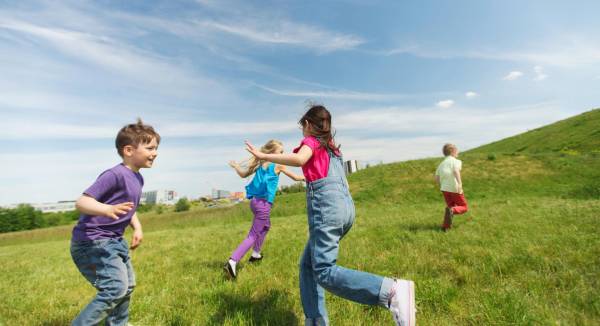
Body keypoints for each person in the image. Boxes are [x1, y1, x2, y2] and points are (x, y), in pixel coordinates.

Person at [245, 105, 416, 326]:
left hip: (327, 211)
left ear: (308, 125)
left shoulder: (310, 142)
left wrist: (262, 155)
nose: (302, 132)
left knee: (324, 270)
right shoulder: (332, 149)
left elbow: (299, 159)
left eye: (302, 127)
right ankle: (316, 320)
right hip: (345, 210)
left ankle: (391, 291)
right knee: (308, 265)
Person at [70, 119, 160, 325]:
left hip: (114, 240)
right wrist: (106, 209)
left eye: (156, 148)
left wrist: (137, 226)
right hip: (92, 242)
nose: (155, 153)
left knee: (127, 286)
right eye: (150, 148)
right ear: (129, 150)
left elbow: (128, 208)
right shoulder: (114, 175)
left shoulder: (138, 178)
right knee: (114, 289)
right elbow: (82, 202)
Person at [225, 140, 304, 279]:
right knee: (253, 235)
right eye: (281, 152)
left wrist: (236, 166)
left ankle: (255, 255)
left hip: (254, 203)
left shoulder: (260, 164)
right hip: (264, 205)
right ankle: (232, 261)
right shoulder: (278, 165)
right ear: (272, 153)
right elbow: (296, 177)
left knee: (266, 226)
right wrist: (311, 177)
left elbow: (243, 174)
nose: (282, 155)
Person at [435, 143, 468, 231]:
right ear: (453, 151)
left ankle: (445, 227)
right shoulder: (456, 161)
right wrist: (460, 184)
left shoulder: (441, 164)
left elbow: (437, 177)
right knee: (464, 207)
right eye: (457, 151)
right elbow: (456, 171)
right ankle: (452, 211)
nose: (458, 152)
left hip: (444, 189)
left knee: (450, 207)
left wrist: (440, 186)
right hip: (454, 188)